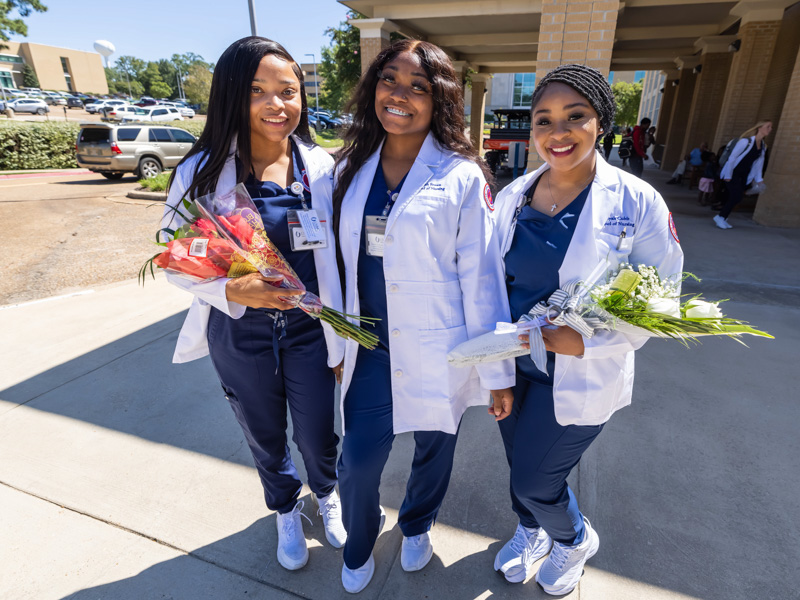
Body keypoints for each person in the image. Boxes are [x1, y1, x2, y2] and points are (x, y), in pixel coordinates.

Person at [490, 64, 684, 596]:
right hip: (518, 363)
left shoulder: (637, 201)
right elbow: (492, 288)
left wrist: (593, 339)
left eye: (575, 117)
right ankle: (531, 530)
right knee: (517, 466)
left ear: (601, 123)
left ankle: (573, 539)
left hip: (582, 371)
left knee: (536, 477)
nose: (558, 133)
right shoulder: (514, 197)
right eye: (543, 120)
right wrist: (496, 374)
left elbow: (661, 297)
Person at [332, 39, 514, 594]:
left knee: (435, 447)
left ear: (440, 101)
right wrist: (331, 345)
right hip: (367, 343)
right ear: (373, 88)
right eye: (390, 80)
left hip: (441, 343)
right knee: (359, 460)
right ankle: (361, 537)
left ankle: (417, 524)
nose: (401, 95)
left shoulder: (460, 174)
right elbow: (330, 263)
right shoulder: (349, 165)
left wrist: (496, 370)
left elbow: (481, 277)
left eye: (419, 87)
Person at [160, 37, 346, 571]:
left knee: (316, 430)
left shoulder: (321, 167)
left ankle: (326, 493)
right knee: (263, 430)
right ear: (232, 97)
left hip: (309, 328)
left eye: (288, 91)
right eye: (258, 91)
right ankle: (285, 506)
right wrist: (227, 290)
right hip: (238, 331)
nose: (276, 104)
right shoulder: (198, 171)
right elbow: (174, 257)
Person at [714, 121, 771, 229]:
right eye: (768, 126)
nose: (770, 129)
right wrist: (728, 175)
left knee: (736, 197)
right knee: (736, 196)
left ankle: (723, 218)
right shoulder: (745, 142)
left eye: (771, 127)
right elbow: (732, 158)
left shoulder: (763, 146)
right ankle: (720, 217)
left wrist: (759, 179)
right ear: (759, 128)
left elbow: (758, 164)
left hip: (744, 175)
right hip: (733, 173)